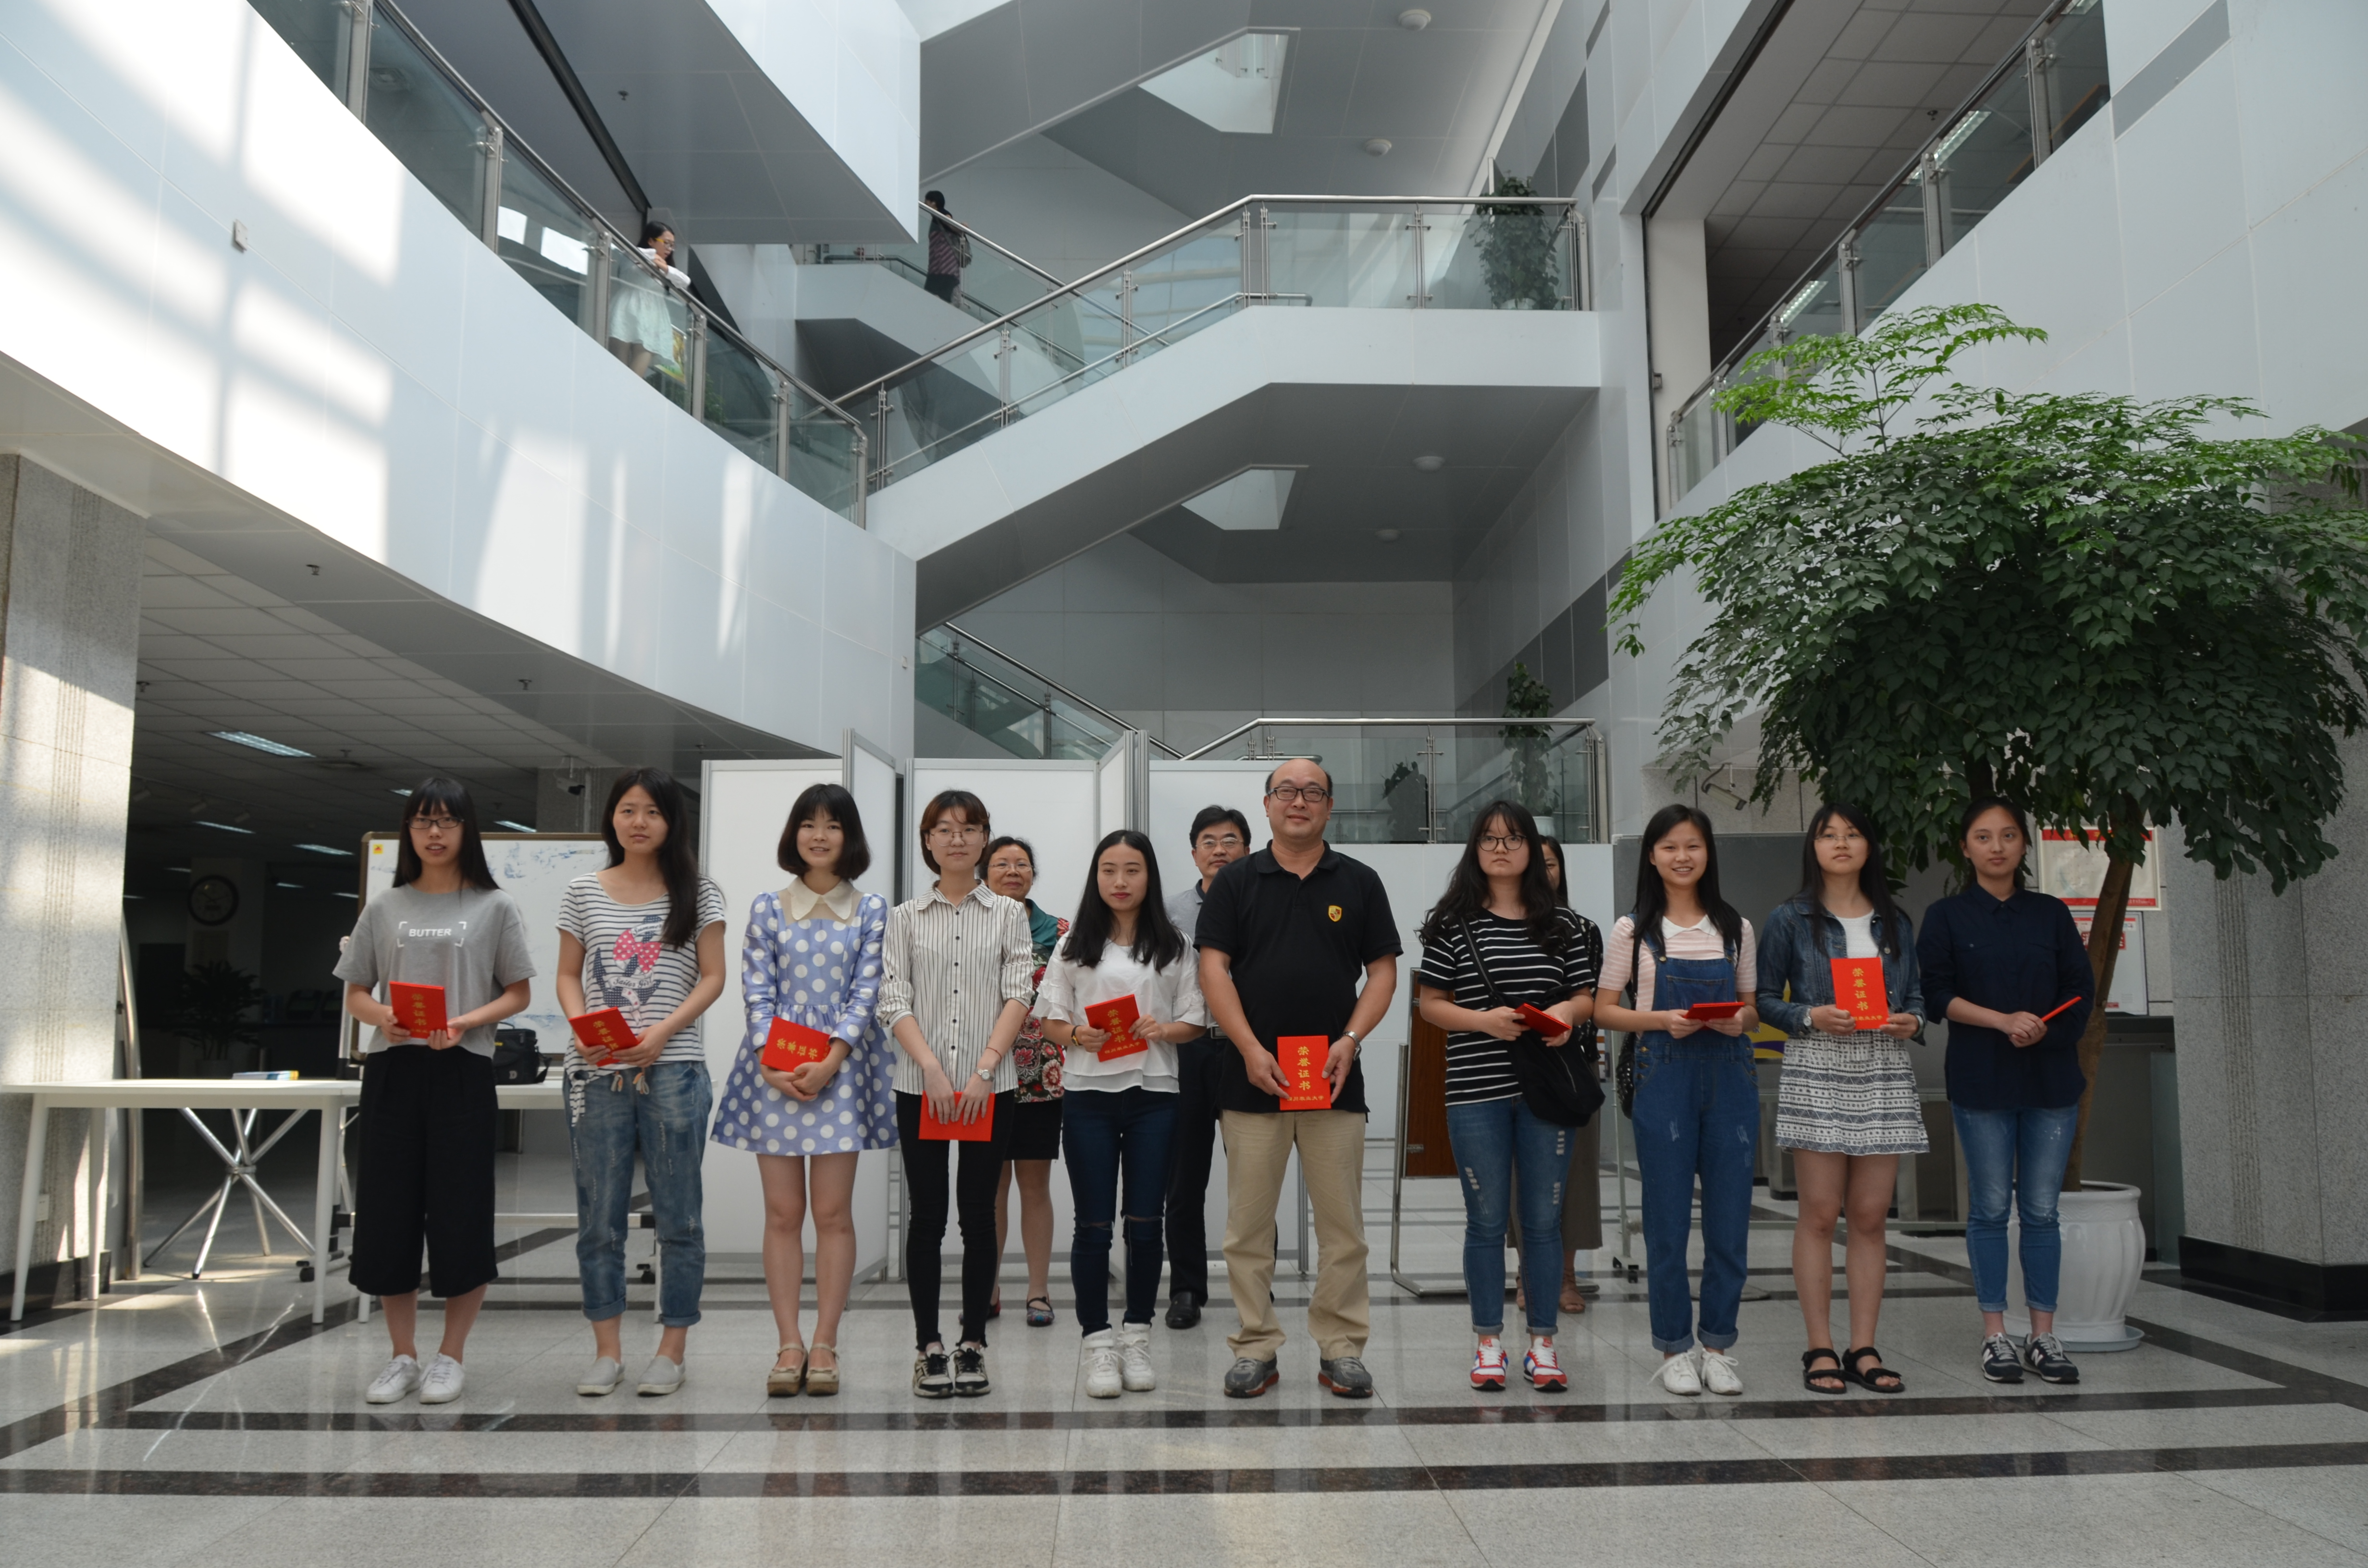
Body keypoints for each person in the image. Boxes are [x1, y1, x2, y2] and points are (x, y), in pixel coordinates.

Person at [1197, 759, 1400, 1400]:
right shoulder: (1235, 881)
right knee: (1247, 1230)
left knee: (1343, 1228)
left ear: (1329, 807)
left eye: (1314, 792)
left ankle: (1341, 1347)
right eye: (1286, 790)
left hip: (1333, 1079)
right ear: (1266, 804)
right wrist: (1248, 1048)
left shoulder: (1359, 881)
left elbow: (1384, 973)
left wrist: (1350, 1040)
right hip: (1250, 1078)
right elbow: (1212, 969)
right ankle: (1255, 1346)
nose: (1299, 801)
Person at [336, 779, 535, 1406]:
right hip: (393, 1070)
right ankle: (402, 1356)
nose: (434, 832)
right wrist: (382, 1017)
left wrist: (469, 1021)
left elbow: (519, 992)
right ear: (408, 831)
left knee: (460, 1212)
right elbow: (357, 991)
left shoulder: (493, 906)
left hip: (462, 1071)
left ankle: (451, 1357)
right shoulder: (385, 906)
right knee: (388, 1213)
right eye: (423, 821)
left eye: (448, 821)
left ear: (466, 830)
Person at [711, 783, 896, 1397]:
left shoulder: (872, 909)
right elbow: (756, 989)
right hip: (775, 1069)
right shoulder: (768, 906)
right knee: (783, 1213)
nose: (819, 835)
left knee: (833, 1214)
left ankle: (825, 1342)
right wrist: (770, 1062)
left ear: (849, 837)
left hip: (841, 1069)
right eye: (809, 824)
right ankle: (788, 1343)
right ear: (794, 834)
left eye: (832, 825)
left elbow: (866, 992)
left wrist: (832, 1059)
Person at [1414, 801, 1599, 1393]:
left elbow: (1585, 997)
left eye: (1513, 839)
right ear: (1474, 849)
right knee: (1486, 1221)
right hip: (1475, 1090)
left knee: (1543, 1222)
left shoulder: (1562, 924)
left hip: (1547, 1090)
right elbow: (1430, 1005)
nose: (1500, 849)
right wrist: (1482, 1022)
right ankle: (1488, 1343)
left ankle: (1542, 1344)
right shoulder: (1451, 923)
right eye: (1489, 839)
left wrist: (1565, 1013)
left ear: (1530, 849)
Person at [556, 768, 727, 1399]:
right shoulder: (582, 891)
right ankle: (607, 1353)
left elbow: (713, 977)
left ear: (672, 822)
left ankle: (671, 1351)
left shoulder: (700, 893)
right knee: (598, 1218)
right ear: (612, 818)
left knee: (679, 1216)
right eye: (628, 809)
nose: (639, 822)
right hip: (596, 1072)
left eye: (653, 811)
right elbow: (568, 974)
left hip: (674, 1069)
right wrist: (580, 1026)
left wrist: (661, 1033)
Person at [1919, 796, 2095, 1387]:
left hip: (2050, 1079)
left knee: (2041, 1212)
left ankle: (2042, 1336)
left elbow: (2079, 990)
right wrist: (2000, 1021)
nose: (1996, 847)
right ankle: (1994, 1334)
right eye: (1982, 837)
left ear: (2023, 844)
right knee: (1990, 1210)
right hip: (1981, 1080)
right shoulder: (1945, 916)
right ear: (1964, 848)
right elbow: (1935, 995)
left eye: (2007, 836)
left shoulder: (2050, 913)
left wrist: (2046, 1028)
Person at [1756, 803, 1926, 1396]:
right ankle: (1819, 1347)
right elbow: (1763, 999)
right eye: (1828, 834)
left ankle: (1863, 1347)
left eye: (1852, 834)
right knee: (1819, 1213)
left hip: (1882, 1065)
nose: (1840, 843)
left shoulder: (1894, 921)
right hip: (1817, 1064)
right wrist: (1809, 1015)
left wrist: (1912, 1021)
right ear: (1813, 847)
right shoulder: (1789, 918)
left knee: (1871, 1215)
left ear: (1868, 846)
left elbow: (1917, 997)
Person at [1594, 804, 1760, 1396]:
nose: (1681, 857)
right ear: (1652, 856)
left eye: (1692, 845)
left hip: (1730, 1079)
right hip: (1662, 1075)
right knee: (1665, 1223)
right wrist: (1662, 1020)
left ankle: (1716, 1347)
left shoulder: (1735, 928)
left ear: (1707, 852)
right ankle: (1672, 1348)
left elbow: (1751, 1006)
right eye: (1669, 847)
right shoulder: (1631, 930)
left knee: (1729, 1221)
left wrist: (1741, 1021)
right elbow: (1603, 1010)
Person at [1036, 830, 1206, 1396]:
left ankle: (1136, 1336)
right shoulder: (1073, 944)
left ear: (1148, 876)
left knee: (1145, 1222)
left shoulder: (1175, 944)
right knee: (1092, 1226)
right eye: (1109, 870)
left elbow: (1195, 1020)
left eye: (1132, 870)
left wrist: (1163, 1029)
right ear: (1096, 877)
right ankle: (1097, 1344)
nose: (1120, 881)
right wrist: (1076, 1035)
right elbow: (1050, 1020)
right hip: (1088, 1097)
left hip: (1154, 1095)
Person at [880, 789, 1036, 1397]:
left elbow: (1018, 993)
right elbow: (892, 997)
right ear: (927, 841)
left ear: (984, 839)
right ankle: (928, 1346)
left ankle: (973, 1343)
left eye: (969, 829)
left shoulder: (1007, 914)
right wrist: (930, 1069)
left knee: (977, 1214)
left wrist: (984, 1069)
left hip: (987, 1088)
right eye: (944, 829)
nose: (956, 839)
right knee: (925, 1216)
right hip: (921, 1087)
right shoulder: (904, 917)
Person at [1162, 804, 1251, 1328]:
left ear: (1248, 849)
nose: (1220, 850)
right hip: (1188, 1050)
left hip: (1248, 1050)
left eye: (1230, 841)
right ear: (1194, 853)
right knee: (1184, 1177)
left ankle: (1255, 1289)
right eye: (1209, 842)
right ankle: (1186, 1289)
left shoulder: (1265, 899)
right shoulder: (1170, 910)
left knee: (1255, 1177)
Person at [1512, 834, 1605, 1317]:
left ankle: (1566, 1275)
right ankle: (1528, 1274)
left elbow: (1592, 999)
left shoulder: (1582, 929)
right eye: (1536, 863)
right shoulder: (1500, 924)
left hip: (1570, 1065)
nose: (1543, 873)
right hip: (1514, 1064)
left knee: (1574, 1177)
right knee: (1521, 1177)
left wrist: (1566, 1023)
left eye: (1551, 864)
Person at [983, 835, 1063, 1328]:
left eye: (1022, 864)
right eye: (1001, 864)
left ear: (1033, 873)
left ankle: (1038, 1292)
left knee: (1035, 1186)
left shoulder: (1060, 932)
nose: (1013, 871)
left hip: (1040, 1078)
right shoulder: (967, 928)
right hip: (981, 1076)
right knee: (989, 1186)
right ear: (983, 873)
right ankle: (986, 1288)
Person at [609, 219, 691, 380]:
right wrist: (654, 259)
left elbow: (685, 281)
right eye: (666, 243)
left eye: (672, 245)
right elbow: (634, 262)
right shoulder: (633, 254)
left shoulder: (665, 268)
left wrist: (664, 267)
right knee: (619, 367)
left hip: (653, 316)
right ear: (651, 241)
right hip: (627, 309)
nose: (669, 249)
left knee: (636, 375)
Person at [922, 191, 966, 304]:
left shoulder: (942, 214)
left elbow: (951, 225)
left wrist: (962, 228)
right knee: (934, 297)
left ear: (933, 203)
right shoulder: (936, 218)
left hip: (945, 266)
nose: (925, 204)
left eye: (927, 202)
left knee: (934, 297)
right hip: (939, 266)